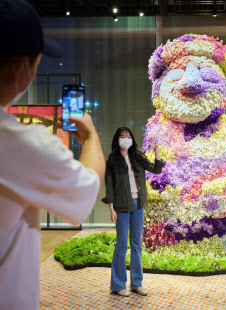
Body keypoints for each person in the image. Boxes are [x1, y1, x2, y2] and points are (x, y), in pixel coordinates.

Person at [0, 1, 105, 309]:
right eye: (36, 65)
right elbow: (85, 197)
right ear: (21, 68)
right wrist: (91, 139)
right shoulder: (19, 143)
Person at [103, 127, 165, 297]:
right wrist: (111, 208)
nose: (126, 139)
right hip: (122, 206)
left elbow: (156, 169)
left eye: (129, 136)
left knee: (137, 244)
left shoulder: (137, 156)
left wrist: (157, 151)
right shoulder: (112, 160)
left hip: (138, 204)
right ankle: (117, 285)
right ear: (117, 140)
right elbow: (110, 187)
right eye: (123, 136)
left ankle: (136, 284)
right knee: (122, 245)